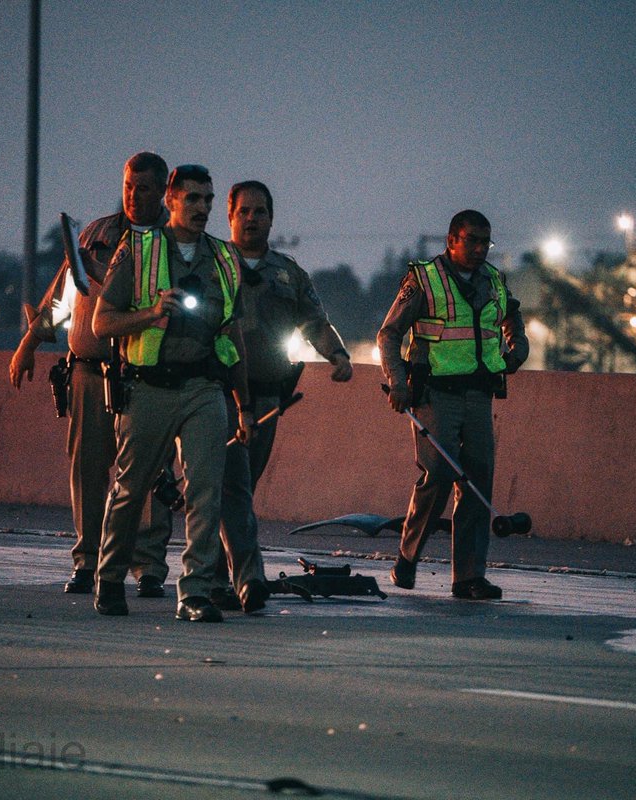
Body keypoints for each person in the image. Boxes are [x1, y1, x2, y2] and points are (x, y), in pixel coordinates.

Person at [92, 164, 255, 622]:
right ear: (171, 199)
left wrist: (243, 405)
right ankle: (109, 579)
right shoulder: (139, 250)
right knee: (130, 488)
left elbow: (234, 334)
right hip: (148, 388)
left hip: (204, 387)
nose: (202, 208)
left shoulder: (223, 258)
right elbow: (100, 322)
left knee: (206, 492)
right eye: (193, 199)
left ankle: (195, 593)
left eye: (208, 199)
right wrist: (150, 313)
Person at [8, 151, 173, 598]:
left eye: (144, 188)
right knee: (88, 468)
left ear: (164, 191)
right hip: (88, 371)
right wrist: (29, 343)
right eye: (128, 186)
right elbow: (62, 299)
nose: (134, 196)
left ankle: (149, 566)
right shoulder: (96, 235)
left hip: (147, 376)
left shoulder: (174, 242)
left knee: (151, 475)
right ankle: (88, 560)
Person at [209, 180, 353, 610]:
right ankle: (230, 580)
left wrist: (338, 355)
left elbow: (315, 323)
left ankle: (225, 579)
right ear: (230, 216)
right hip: (217, 394)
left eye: (260, 212)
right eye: (244, 211)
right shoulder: (213, 264)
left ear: (271, 217)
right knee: (227, 488)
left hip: (269, 397)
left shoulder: (288, 273)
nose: (252, 219)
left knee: (241, 489)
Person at [376, 209, 528, 600]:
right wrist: (397, 382)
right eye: (472, 240)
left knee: (478, 482)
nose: (480, 249)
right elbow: (389, 334)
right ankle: (408, 555)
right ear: (451, 241)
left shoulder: (493, 279)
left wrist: (517, 348)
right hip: (434, 395)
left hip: (479, 393)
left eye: (485, 242)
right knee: (440, 474)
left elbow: (512, 314)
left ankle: (469, 577)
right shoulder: (424, 279)